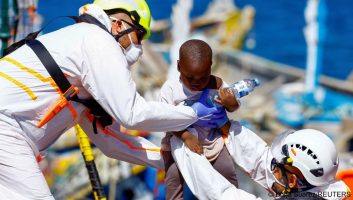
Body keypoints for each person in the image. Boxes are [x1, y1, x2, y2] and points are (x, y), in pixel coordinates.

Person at [0, 1, 226, 199]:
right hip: (6, 131)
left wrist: (174, 158)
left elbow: (111, 141)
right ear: (118, 25)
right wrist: (194, 114)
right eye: (138, 36)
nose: (139, 48)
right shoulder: (97, 40)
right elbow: (133, 114)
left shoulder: (84, 58)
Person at [171, 125, 351, 200]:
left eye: (276, 166)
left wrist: (182, 142)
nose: (271, 169)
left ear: (294, 181)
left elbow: (219, 193)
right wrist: (227, 127)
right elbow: (260, 160)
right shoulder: (333, 187)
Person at [159, 39, 240, 199]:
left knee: (227, 170)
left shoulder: (217, 84)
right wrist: (186, 136)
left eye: (202, 78)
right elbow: (165, 119)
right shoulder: (170, 89)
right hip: (179, 140)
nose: (196, 83)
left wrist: (231, 103)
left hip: (212, 139)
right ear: (178, 67)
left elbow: (234, 107)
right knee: (174, 177)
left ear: (210, 67)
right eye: (190, 78)